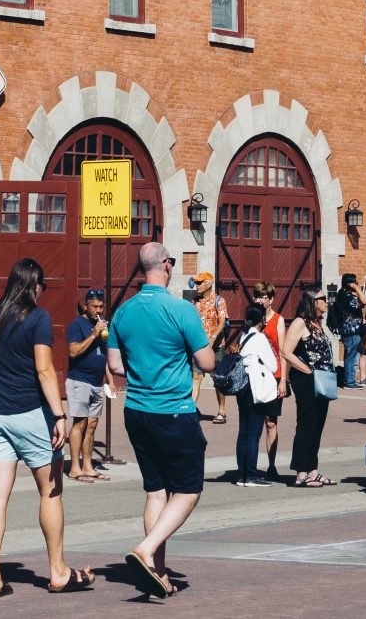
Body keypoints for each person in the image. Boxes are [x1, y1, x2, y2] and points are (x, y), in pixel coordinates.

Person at [106, 242, 215, 599]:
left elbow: (116, 366)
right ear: (167, 265)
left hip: (137, 409)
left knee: (156, 490)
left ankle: (158, 571)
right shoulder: (182, 309)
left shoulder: (123, 312)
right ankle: (146, 548)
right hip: (173, 411)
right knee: (188, 489)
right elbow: (208, 362)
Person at [0, 258, 80, 597]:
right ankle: (58, 571)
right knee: (51, 491)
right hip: (30, 412)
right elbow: (45, 370)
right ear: (35, 285)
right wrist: (59, 414)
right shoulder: (37, 318)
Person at [282, 289, 335, 488]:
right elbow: (286, 351)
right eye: (323, 300)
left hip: (323, 380)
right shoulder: (299, 322)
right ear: (313, 301)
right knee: (306, 424)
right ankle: (301, 473)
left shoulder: (317, 324)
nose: (327, 303)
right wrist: (307, 370)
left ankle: (313, 471)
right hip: (306, 381)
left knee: (318, 425)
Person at [228, 310, 281, 486]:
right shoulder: (259, 338)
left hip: (242, 387)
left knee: (243, 432)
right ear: (262, 319)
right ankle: (251, 475)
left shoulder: (244, 336)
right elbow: (273, 366)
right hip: (255, 388)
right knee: (254, 432)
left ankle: (241, 475)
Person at [64, 289, 112, 482]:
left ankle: (88, 466)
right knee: (80, 422)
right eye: (94, 306)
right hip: (79, 380)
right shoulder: (77, 325)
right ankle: (75, 468)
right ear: (86, 306)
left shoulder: (103, 327)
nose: (98, 310)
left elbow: (105, 356)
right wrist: (93, 335)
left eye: (101, 306)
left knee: (92, 425)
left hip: (97, 382)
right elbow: (73, 352)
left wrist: (110, 379)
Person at [191, 274, 227, 423]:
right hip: (199, 346)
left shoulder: (219, 301)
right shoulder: (195, 301)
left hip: (216, 347)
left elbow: (222, 322)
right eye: (196, 282)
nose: (196, 285)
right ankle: (191, 410)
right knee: (196, 377)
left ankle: (221, 412)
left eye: (199, 283)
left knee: (217, 378)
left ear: (209, 284)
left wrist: (213, 338)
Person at [332, 273, 366, 390]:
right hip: (351, 331)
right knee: (352, 356)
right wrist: (358, 289)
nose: (356, 284)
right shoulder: (346, 295)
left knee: (350, 355)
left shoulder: (342, 294)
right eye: (355, 282)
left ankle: (349, 380)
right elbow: (365, 301)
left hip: (350, 330)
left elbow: (361, 305)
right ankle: (350, 382)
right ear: (349, 283)